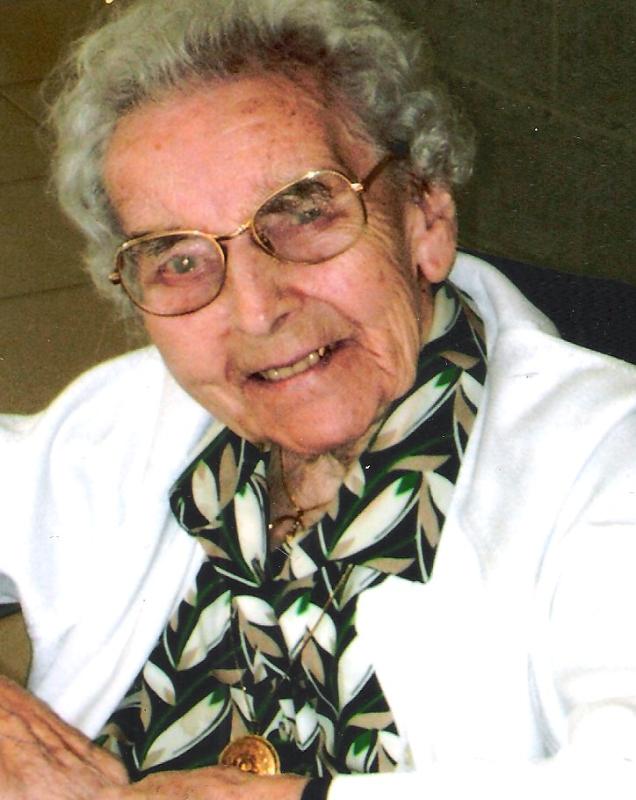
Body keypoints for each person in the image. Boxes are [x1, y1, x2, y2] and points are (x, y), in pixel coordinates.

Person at [1, 0, 635, 798]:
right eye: (179, 259)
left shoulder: (606, 462)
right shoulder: (135, 417)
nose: (255, 310)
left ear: (426, 216)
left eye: (302, 213)